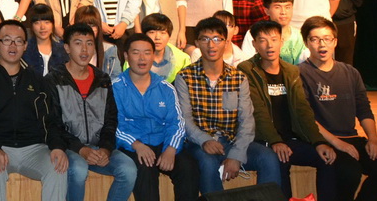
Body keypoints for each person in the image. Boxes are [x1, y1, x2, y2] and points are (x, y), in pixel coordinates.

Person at [235, 20, 341, 199]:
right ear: (254, 44)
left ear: (281, 41)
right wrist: (275, 141)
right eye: (262, 40)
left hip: (291, 139)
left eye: (274, 39)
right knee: (279, 160)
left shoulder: (291, 71)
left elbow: (302, 109)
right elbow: (258, 112)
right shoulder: (246, 70)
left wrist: (318, 141)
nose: (269, 45)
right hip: (263, 140)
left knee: (327, 159)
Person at [175, 17, 281, 194]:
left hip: (232, 141)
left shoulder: (238, 77)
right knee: (207, 162)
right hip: (198, 143)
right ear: (197, 43)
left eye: (217, 39)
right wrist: (204, 140)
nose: (211, 45)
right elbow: (184, 119)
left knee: (268, 157)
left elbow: (247, 121)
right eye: (205, 39)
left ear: (226, 42)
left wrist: (237, 155)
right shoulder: (185, 77)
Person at [299, 16, 377, 200]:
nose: (322, 44)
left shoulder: (350, 72)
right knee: (350, 172)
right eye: (315, 39)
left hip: (352, 137)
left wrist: (373, 139)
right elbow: (306, 117)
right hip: (324, 141)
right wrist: (337, 143)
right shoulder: (299, 73)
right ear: (306, 43)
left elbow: (363, 109)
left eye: (327, 39)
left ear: (335, 42)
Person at [0, 21, 68, 200]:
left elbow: (51, 119)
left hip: (34, 148)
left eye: (18, 41)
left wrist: (57, 146)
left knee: (57, 167)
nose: (12, 46)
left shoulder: (37, 80)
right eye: (7, 40)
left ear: (25, 46)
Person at [49, 24, 136, 201]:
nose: (84, 49)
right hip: (69, 148)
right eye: (78, 43)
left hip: (98, 147)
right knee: (78, 170)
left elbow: (111, 120)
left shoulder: (102, 79)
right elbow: (52, 124)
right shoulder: (53, 79)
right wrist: (81, 149)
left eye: (89, 43)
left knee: (128, 170)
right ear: (67, 48)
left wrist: (106, 148)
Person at [112, 33, 199, 200]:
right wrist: (136, 145)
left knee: (188, 167)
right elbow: (115, 125)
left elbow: (177, 123)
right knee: (145, 169)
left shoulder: (166, 87)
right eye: (136, 52)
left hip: (163, 142)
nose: (142, 58)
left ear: (153, 55)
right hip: (133, 145)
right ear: (126, 56)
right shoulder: (115, 88)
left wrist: (171, 149)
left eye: (147, 53)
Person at [240, 0, 310, 65]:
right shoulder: (254, 33)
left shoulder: (301, 35)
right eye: (277, 7)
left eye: (287, 7)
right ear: (267, 11)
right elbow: (247, 63)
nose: (283, 12)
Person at [22, 4, 67, 76]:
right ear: (31, 26)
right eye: (37, 23)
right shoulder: (24, 50)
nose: (42, 27)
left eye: (47, 22)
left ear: (52, 24)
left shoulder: (62, 50)